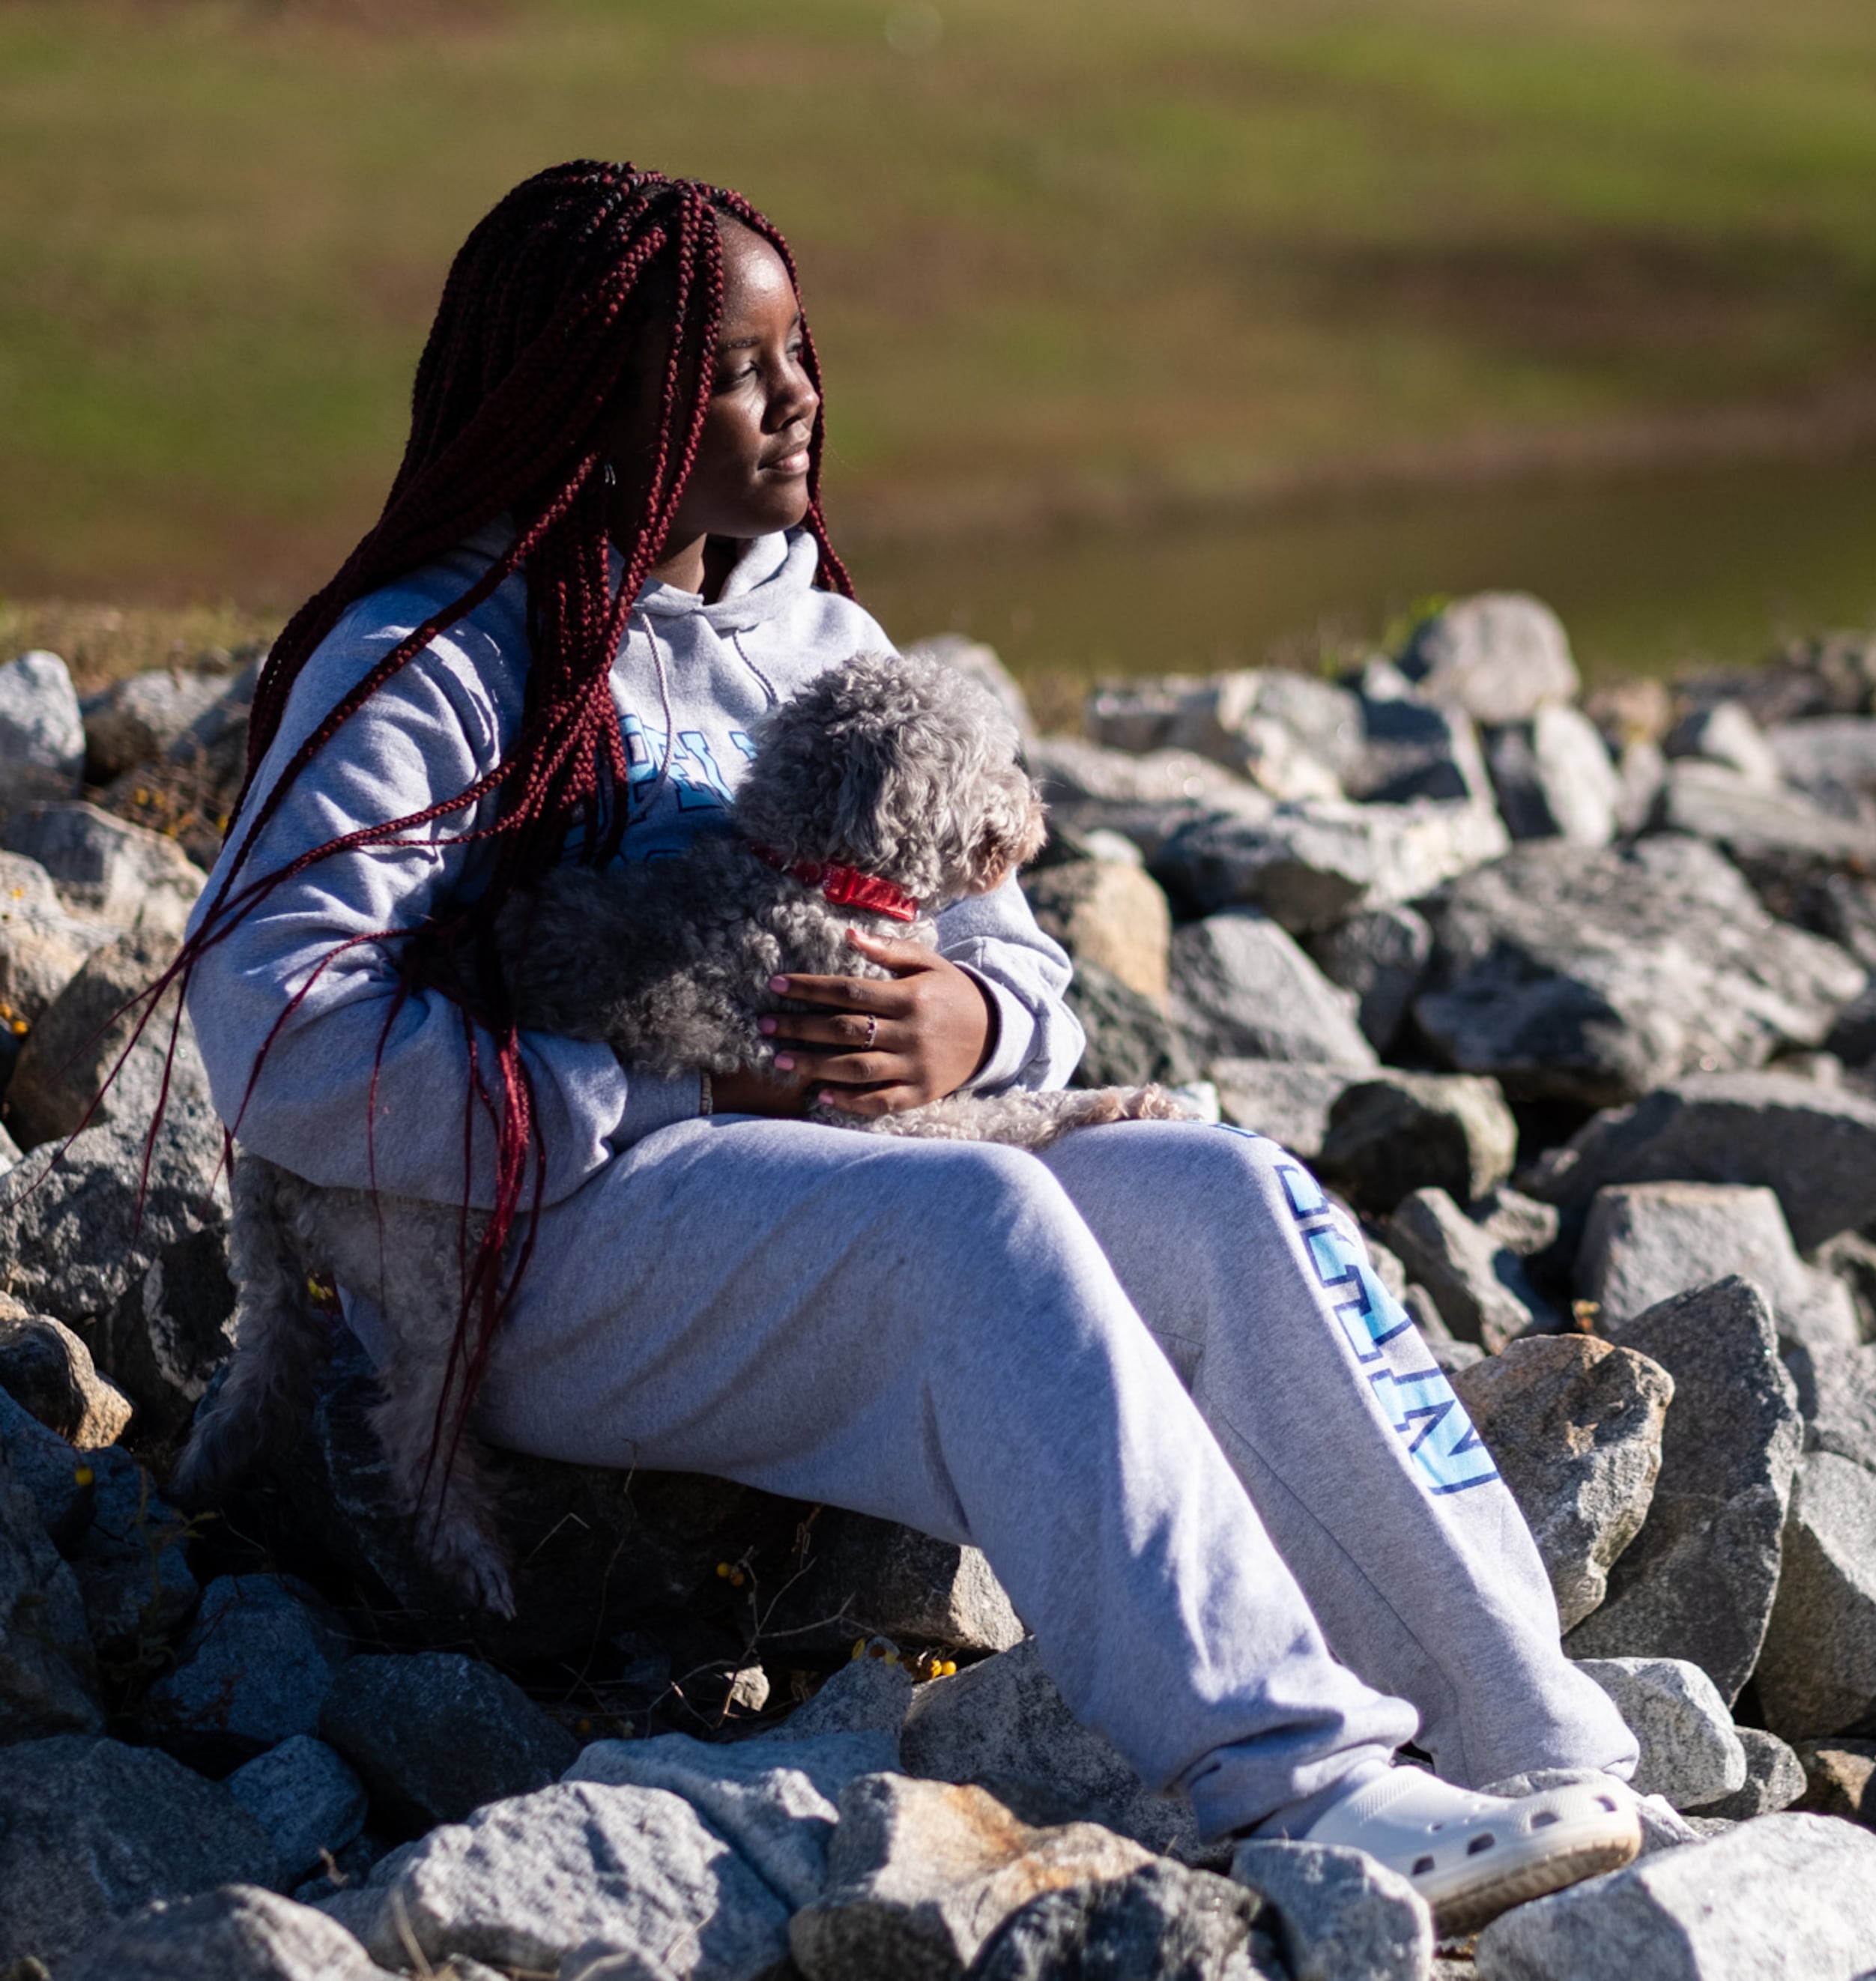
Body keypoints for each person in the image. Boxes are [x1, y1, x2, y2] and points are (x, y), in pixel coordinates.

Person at [178, 161, 1643, 1931]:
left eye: (800, 350)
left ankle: (1550, 1758)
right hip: (532, 1252)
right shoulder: (437, 650)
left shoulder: (827, 636)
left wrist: (970, 1018)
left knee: (1220, 1183)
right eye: (733, 366)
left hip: (817, 1196)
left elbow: (1019, 962)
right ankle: (1311, 1789)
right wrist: (678, 1085)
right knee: (986, 1236)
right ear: (588, 395)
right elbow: (273, 1023)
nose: (795, 396)